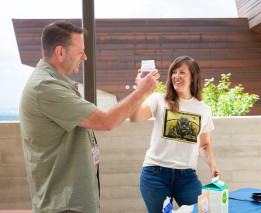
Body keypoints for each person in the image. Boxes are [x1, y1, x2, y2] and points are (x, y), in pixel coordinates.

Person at [19, 21, 159, 213]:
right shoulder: (45, 87)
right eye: (80, 52)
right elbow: (106, 121)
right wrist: (142, 92)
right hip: (64, 206)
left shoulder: (55, 83)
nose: (84, 57)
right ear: (60, 53)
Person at [130, 55, 221, 212]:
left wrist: (213, 164)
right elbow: (135, 118)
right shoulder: (159, 100)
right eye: (174, 72)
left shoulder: (204, 110)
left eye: (182, 72)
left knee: (202, 210)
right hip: (155, 174)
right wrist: (140, 91)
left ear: (193, 77)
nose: (176, 76)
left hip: (187, 177)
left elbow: (204, 144)